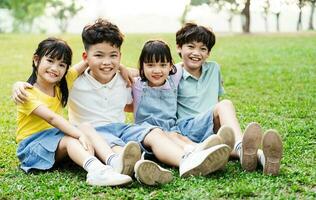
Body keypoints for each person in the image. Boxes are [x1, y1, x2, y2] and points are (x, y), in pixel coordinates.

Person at [12, 19, 230, 185]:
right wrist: (19, 84)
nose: (107, 62)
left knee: (152, 132)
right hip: (95, 132)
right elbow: (50, 76)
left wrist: (124, 69)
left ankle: (186, 161)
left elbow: (151, 75)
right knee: (118, 147)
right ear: (86, 57)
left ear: (120, 56)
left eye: (113, 56)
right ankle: (136, 168)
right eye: (99, 56)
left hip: (123, 127)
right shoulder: (72, 80)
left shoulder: (125, 78)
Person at [15, 37, 133, 186]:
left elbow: (89, 61)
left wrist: (121, 67)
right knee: (72, 139)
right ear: (36, 60)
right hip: (31, 147)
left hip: (52, 140)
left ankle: (114, 161)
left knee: (86, 126)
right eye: (50, 61)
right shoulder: (26, 93)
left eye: (61, 64)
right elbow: (52, 118)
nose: (55, 68)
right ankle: (97, 171)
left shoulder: (62, 83)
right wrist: (79, 135)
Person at [175, 22, 283, 175]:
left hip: (211, 128)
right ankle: (241, 147)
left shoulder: (214, 69)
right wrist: (126, 70)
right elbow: (146, 74)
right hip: (187, 129)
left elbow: (214, 98)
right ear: (179, 47)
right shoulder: (173, 72)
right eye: (191, 47)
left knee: (223, 142)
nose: (196, 53)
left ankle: (261, 158)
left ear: (208, 53)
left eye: (203, 49)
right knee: (224, 104)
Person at [132, 39, 232, 165]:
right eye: (150, 65)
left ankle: (200, 149)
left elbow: (186, 65)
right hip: (147, 132)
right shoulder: (137, 85)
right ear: (142, 66)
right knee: (169, 136)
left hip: (171, 128)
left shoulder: (173, 78)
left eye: (163, 65)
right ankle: (194, 151)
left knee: (178, 136)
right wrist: (123, 68)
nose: (157, 70)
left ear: (170, 66)